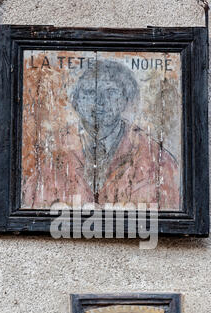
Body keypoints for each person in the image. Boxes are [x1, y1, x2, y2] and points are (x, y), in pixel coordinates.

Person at [22, 59, 180, 210]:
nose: (99, 101)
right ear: (75, 100)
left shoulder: (155, 158)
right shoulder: (50, 152)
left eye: (111, 92)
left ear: (126, 98)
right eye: (90, 92)